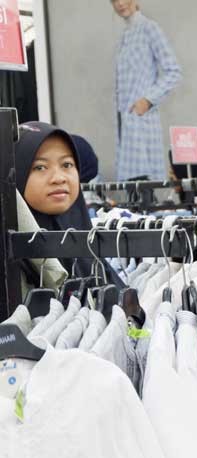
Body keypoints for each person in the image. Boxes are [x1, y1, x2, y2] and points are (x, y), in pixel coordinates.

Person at [15, 121, 122, 285]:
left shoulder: (90, 249)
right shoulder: (11, 265)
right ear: (17, 173)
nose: (59, 178)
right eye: (40, 167)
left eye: (67, 165)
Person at [111, 0, 182, 181]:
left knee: (144, 183)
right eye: (113, 0)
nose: (119, 4)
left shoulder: (149, 28)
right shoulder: (125, 35)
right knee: (132, 185)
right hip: (125, 121)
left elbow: (173, 71)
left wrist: (147, 100)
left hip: (142, 120)